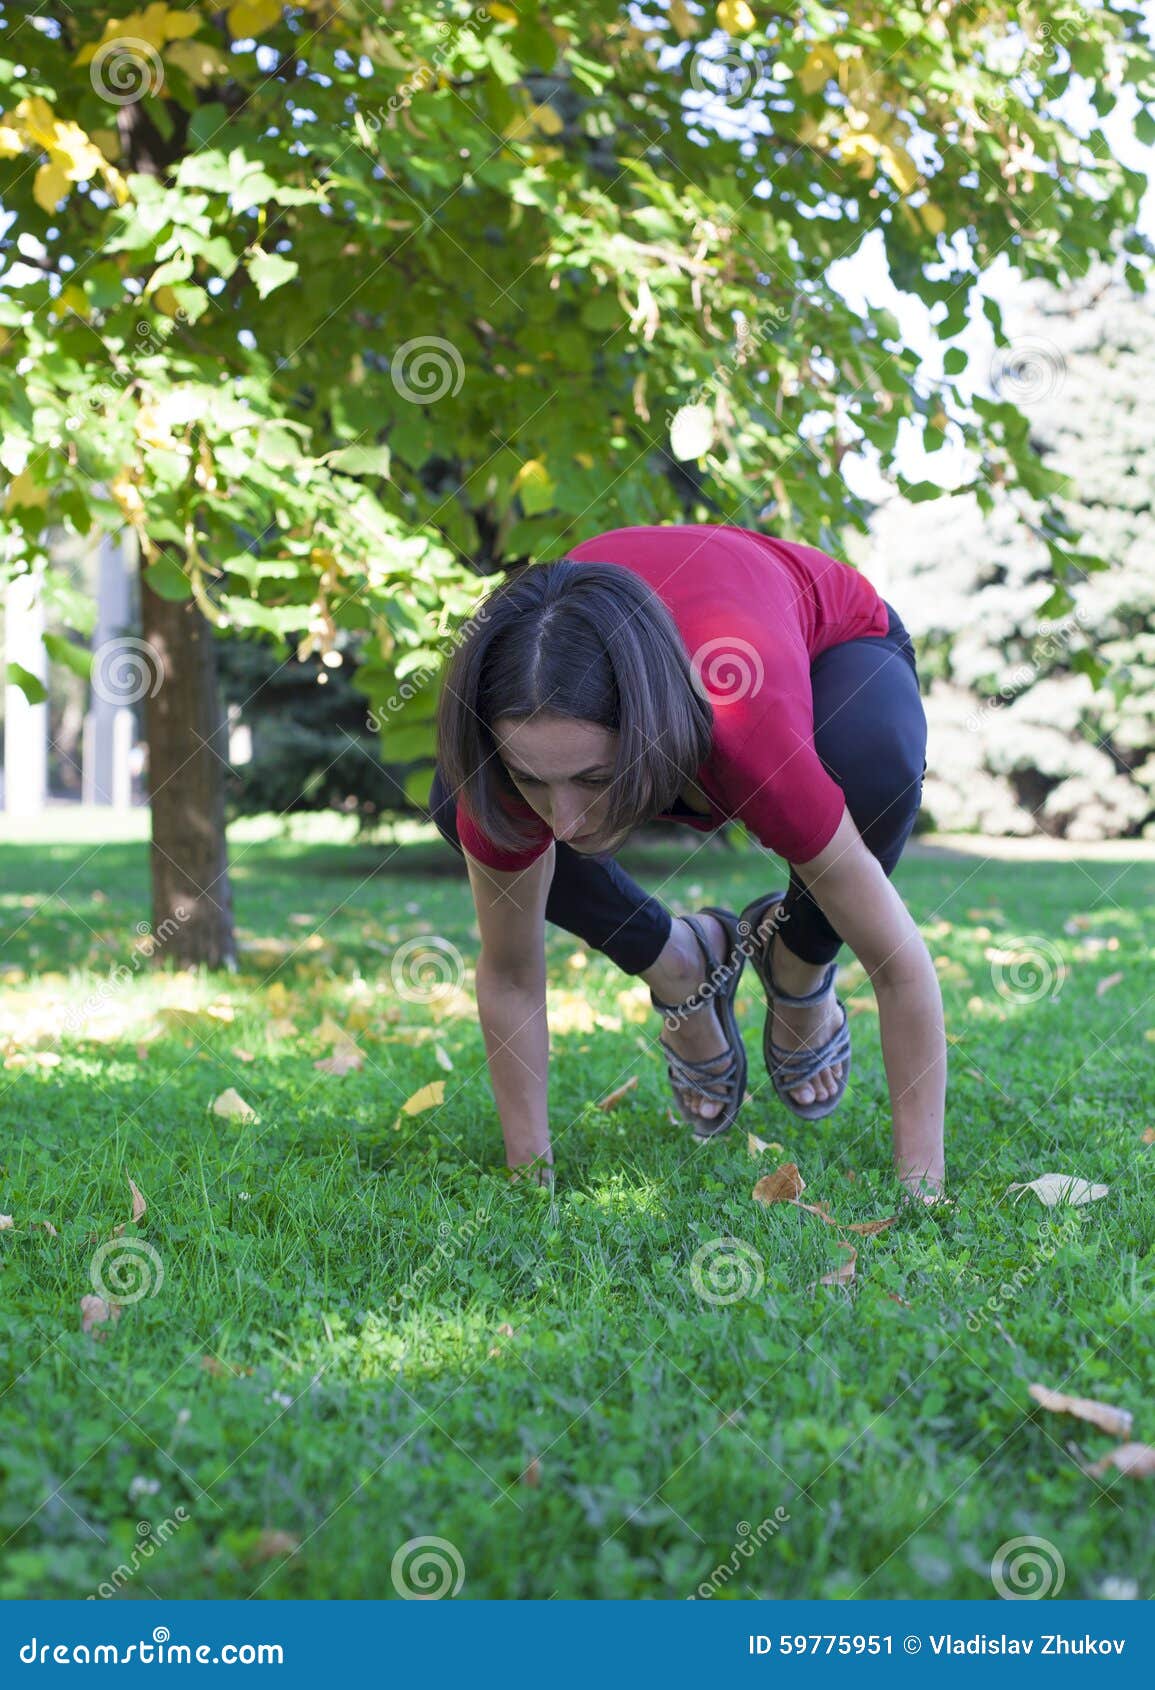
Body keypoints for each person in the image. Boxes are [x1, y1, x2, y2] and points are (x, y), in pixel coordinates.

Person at [428, 523, 945, 1204]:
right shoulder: (509, 759)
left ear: (651, 735)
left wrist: (921, 1191)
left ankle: (799, 965)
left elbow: (899, 968)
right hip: (649, 656)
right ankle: (679, 961)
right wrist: (531, 1182)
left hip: (833, 635)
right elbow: (511, 974)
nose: (566, 822)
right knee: (465, 809)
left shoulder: (747, 731)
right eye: (534, 780)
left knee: (874, 766)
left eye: (592, 779)